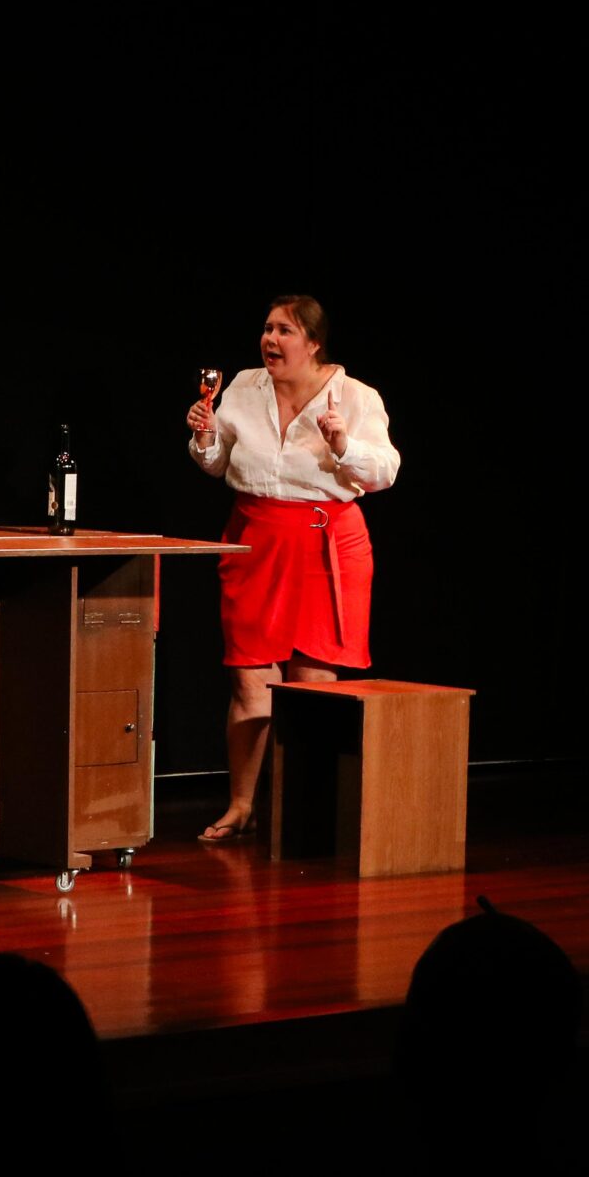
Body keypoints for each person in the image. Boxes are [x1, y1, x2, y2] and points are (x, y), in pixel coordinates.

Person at [185, 294, 399, 843]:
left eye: (284, 331)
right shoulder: (243, 387)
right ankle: (241, 805)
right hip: (255, 540)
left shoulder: (355, 397)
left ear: (314, 342)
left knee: (311, 684)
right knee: (249, 677)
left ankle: (304, 815)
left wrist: (342, 444)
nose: (270, 340)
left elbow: (385, 471)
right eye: (267, 328)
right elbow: (217, 464)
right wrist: (204, 436)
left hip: (327, 546)